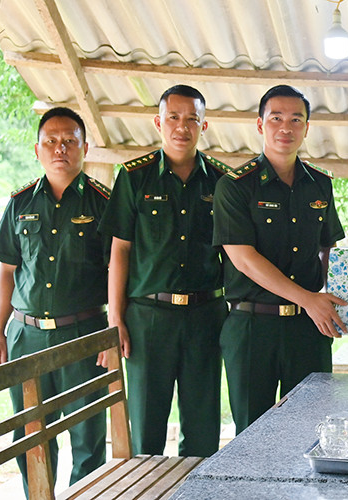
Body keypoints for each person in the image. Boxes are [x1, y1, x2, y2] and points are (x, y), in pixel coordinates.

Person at [98, 85, 229, 457]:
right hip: (148, 318)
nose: (181, 127)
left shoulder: (222, 182)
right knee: (145, 429)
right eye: (173, 117)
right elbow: (119, 251)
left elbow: (234, 256)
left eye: (192, 119)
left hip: (206, 316)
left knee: (203, 429)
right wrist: (115, 319)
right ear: (159, 122)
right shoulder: (134, 177)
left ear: (205, 126)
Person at [0, 107, 109, 495]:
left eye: (70, 141)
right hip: (26, 336)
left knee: (88, 436)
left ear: (85, 148)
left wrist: (110, 334)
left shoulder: (103, 204)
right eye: (51, 142)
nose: (61, 149)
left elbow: (116, 273)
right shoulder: (20, 203)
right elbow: (6, 273)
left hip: (84, 333)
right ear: (37, 150)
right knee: (30, 433)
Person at [212, 84, 346, 432]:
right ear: (260, 125)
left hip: (308, 328)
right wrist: (309, 299)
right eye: (276, 118)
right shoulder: (235, 186)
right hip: (252, 327)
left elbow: (329, 249)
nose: (285, 127)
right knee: (251, 433)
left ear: (306, 128)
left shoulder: (320, 184)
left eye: (295, 119)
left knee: (310, 430)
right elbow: (242, 258)